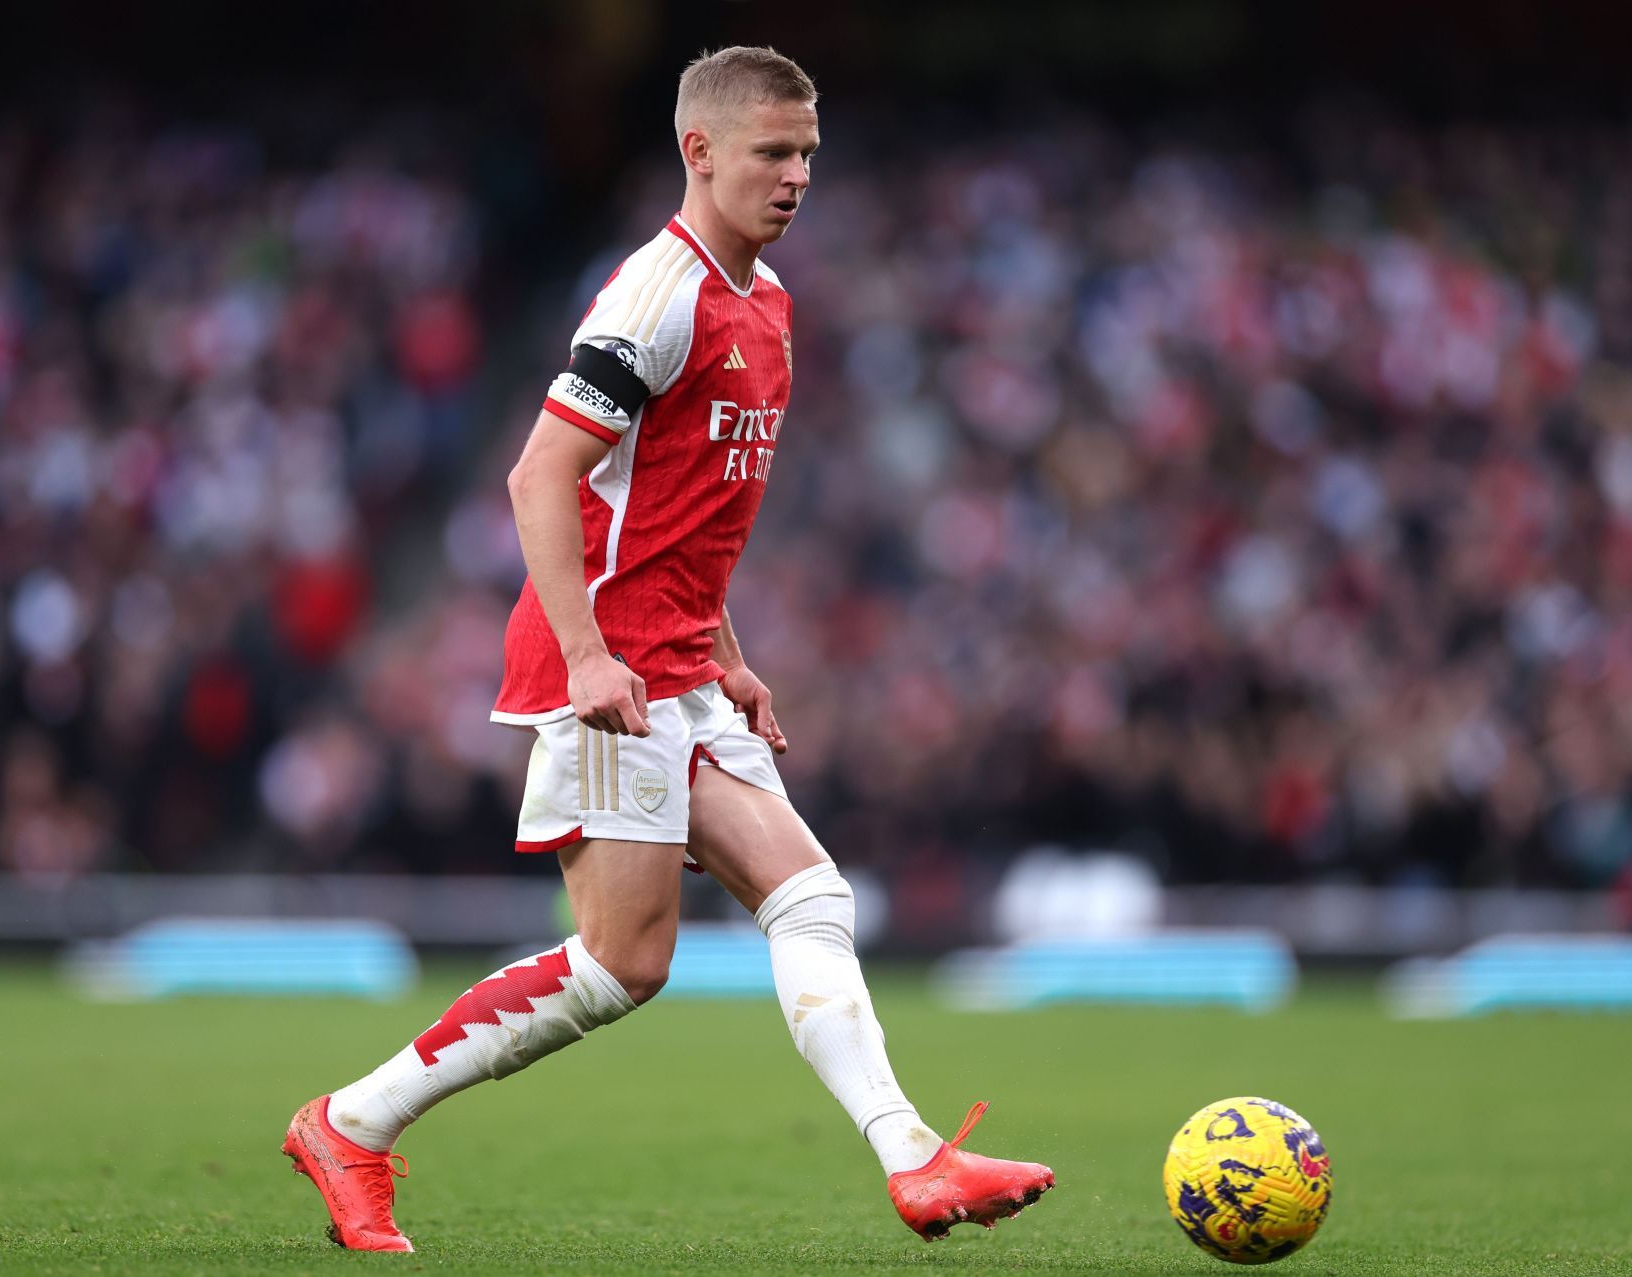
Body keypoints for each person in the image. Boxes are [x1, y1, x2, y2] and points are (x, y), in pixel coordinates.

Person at [282, 45, 1054, 1252]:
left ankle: (914, 1158)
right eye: (771, 153)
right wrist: (590, 657)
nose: (796, 176)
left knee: (810, 894)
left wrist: (728, 647)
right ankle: (352, 1119)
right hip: (608, 676)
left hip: (683, 664)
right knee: (622, 964)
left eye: (807, 153)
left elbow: (679, 508)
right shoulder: (658, 292)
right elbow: (540, 474)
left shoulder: (770, 303)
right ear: (699, 152)